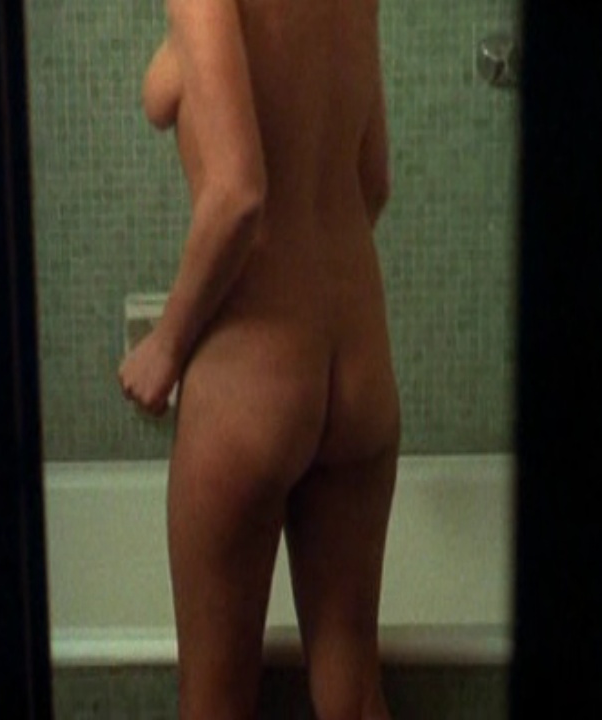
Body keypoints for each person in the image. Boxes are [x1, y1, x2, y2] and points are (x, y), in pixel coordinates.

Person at [118, 0, 398, 718]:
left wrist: (166, 345)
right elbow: (373, 180)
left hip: (255, 372)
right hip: (359, 360)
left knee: (216, 701)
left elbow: (238, 195)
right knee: (355, 694)